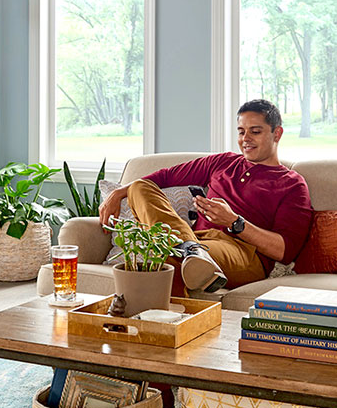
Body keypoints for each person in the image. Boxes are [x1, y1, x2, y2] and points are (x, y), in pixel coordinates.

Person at [98, 99, 313, 297]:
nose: (245, 139)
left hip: (243, 252)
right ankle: (190, 250)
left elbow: (283, 251)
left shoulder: (292, 184)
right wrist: (118, 193)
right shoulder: (224, 162)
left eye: (255, 131)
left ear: (277, 134)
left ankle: (187, 258)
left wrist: (234, 222)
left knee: (161, 258)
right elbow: (165, 176)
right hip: (197, 238)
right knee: (139, 187)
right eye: (241, 132)